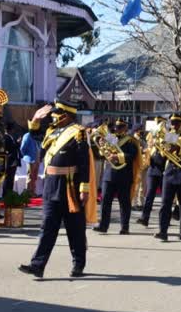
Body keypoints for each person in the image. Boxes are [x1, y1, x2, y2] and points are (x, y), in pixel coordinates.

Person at [19, 100, 96, 278]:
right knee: (47, 227)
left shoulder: (78, 133)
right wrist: (35, 119)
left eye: (56, 114)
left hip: (70, 185)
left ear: (66, 115)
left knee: (75, 228)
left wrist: (84, 187)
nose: (53, 117)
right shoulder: (52, 131)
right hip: (51, 184)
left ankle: (78, 264)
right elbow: (36, 137)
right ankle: (37, 265)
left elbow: (84, 162)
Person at [154, 113, 181, 242]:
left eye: (176, 123)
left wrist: (178, 149)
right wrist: (161, 150)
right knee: (165, 204)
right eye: (172, 123)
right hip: (169, 172)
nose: (173, 125)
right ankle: (163, 231)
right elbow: (160, 157)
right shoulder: (167, 135)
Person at [94, 118, 140, 235]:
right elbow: (102, 153)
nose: (117, 129)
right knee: (105, 201)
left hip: (124, 175)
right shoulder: (110, 138)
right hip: (109, 174)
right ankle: (103, 225)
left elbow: (132, 156)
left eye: (120, 127)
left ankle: (125, 227)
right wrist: (101, 144)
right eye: (116, 127)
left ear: (125, 128)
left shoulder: (130, 141)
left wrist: (118, 157)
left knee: (124, 202)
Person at [135, 119, 166, 228]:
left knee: (165, 198)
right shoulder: (152, 142)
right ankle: (145, 218)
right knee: (149, 196)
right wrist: (148, 148)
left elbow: (165, 155)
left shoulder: (166, 139)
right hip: (152, 170)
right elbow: (148, 154)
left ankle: (164, 220)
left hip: (164, 171)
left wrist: (161, 144)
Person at [20, 121, 41, 196]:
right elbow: (22, 148)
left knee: (34, 176)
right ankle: (28, 192)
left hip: (37, 158)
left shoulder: (37, 136)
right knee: (30, 175)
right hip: (30, 158)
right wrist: (24, 156)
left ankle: (33, 191)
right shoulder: (27, 135)